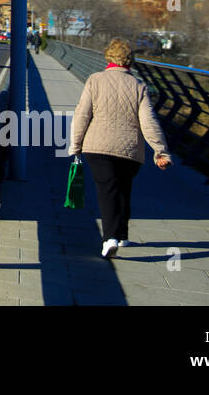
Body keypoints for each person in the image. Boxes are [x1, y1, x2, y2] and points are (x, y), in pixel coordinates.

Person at [68, 38, 172, 258]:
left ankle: (110, 238)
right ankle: (122, 234)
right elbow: (149, 121)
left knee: (108, 191)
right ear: (130, 62)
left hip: (98, 147)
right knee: (123, 188)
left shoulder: (95, 80)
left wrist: (75, 145)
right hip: (130, 150)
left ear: (108, 58)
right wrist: (160, 151)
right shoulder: (139, 86)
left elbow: (82, 115)